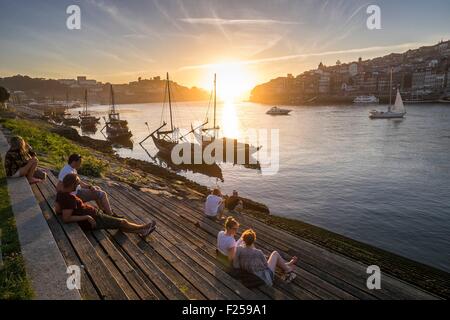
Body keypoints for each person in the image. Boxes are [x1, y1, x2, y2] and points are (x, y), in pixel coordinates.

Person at [56, 173, 156, 236]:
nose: (78, 186)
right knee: (123, 222)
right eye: (77, 184)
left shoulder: (60, 193)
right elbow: (66, 218)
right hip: (95, 218)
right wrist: (87, 217)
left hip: (94, 214)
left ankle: (140, 231)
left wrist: (75, 211)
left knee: (115, 222)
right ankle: (143, 228)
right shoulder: (69, 198)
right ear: (72, 184)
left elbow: (58, 210)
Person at [233, 229, 298, 286]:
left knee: (268, 258)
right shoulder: (258, 252)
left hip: (249, 272)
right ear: (254, 240)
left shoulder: (238, 249)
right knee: (275, 254)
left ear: (243, 240)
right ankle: (288, 270)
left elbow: (236, 264)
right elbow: (266, 266)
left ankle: (286, 265)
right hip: (264, 277)